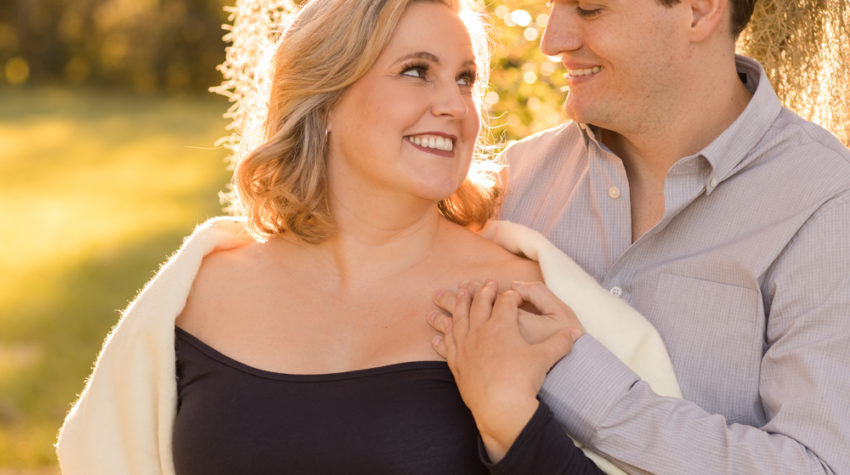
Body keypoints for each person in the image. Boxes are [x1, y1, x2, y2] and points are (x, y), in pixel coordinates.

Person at [55, 0, 620, 473]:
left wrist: (510, 423)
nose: (455, 106)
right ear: (326, 97)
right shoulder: (196, 294)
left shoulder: (521, 299)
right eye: (417, 70)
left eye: (466, 79)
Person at [429, 0, 850, 473]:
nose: (552, 41)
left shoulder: (826, 204)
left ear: (698, 10)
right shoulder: (509, 184)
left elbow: (820, 466)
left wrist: (570, 371)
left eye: (588, 9)